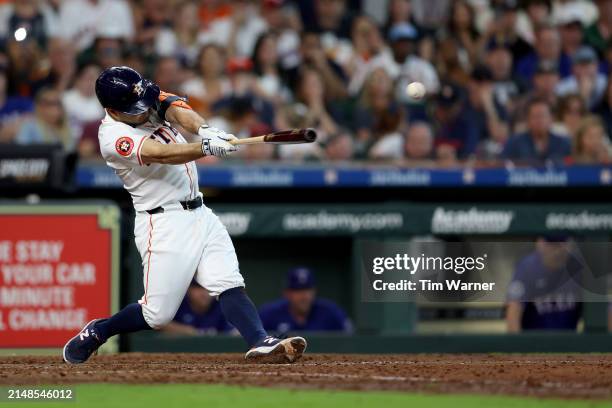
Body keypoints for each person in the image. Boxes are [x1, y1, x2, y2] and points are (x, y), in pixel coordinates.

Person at [62, 66, 306, 364]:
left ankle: (260, 340)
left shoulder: (142, 96)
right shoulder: (113, 137)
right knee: (157, 314)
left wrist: (205, 130)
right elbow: (161, 153)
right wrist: (204, 148)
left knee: (227, 281)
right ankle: (100, 331)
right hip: (163, 222)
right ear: (113, 109)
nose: (145, 110)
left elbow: (177, 109)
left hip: (200, 212)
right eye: (135, 109)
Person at [506, 237, 582, 332]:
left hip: (570, 342)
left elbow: (596, 314)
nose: (557, 248)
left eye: (561, 242)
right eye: (551, 243)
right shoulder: (527, 267)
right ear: (539, 243)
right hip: (533, 343)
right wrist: (519, 346)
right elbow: (513, 313)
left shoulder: (579, 268)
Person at [259, 267, 352, 334]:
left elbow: (350, 336)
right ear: (287, 293)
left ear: (314, 291)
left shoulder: (331, 312)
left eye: (308, 290)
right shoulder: (269, 313)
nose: (305, 296)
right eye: (299, 291)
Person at [502, 98, 571, 164]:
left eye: (543, 116)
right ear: (527, 120)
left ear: (551, 118)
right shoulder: (514, 144)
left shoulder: (563, 144)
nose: (539, 120)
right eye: (535, 116)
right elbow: (500, 167)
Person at [162, 282, 234, 335]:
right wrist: (185, 330)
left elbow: (234, 333)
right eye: (198, 288)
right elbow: (159, 323)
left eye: (208, 288)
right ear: (188, 290)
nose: (204, 293)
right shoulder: (177, 304)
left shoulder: (221, 306)